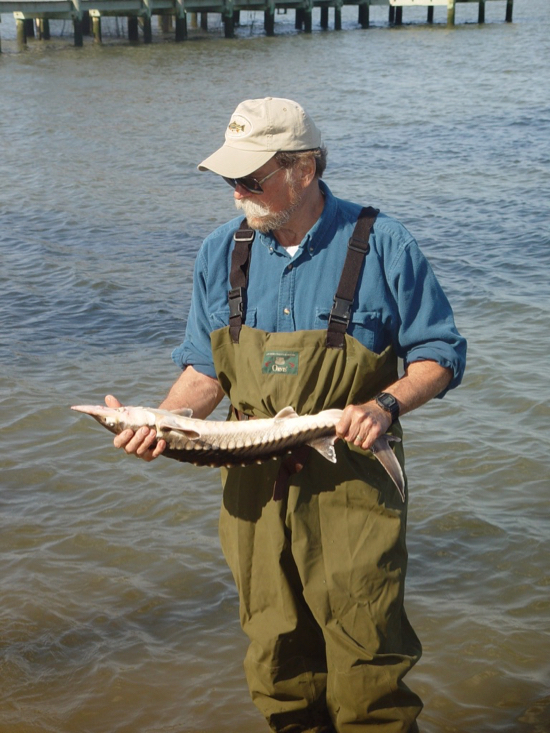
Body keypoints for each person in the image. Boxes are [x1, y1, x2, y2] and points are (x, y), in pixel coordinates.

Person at [108, 97, 467, 733]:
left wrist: (385, 406)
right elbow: (204, 372)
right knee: (276, 664)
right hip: (251, 492)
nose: (236, 191)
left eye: (251, 177)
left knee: (369, 668)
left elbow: (439, 356)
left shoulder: (382, 243)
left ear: (303, 169)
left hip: (352, 486)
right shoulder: (221, 252)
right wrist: (159, 420)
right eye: (230, 178)